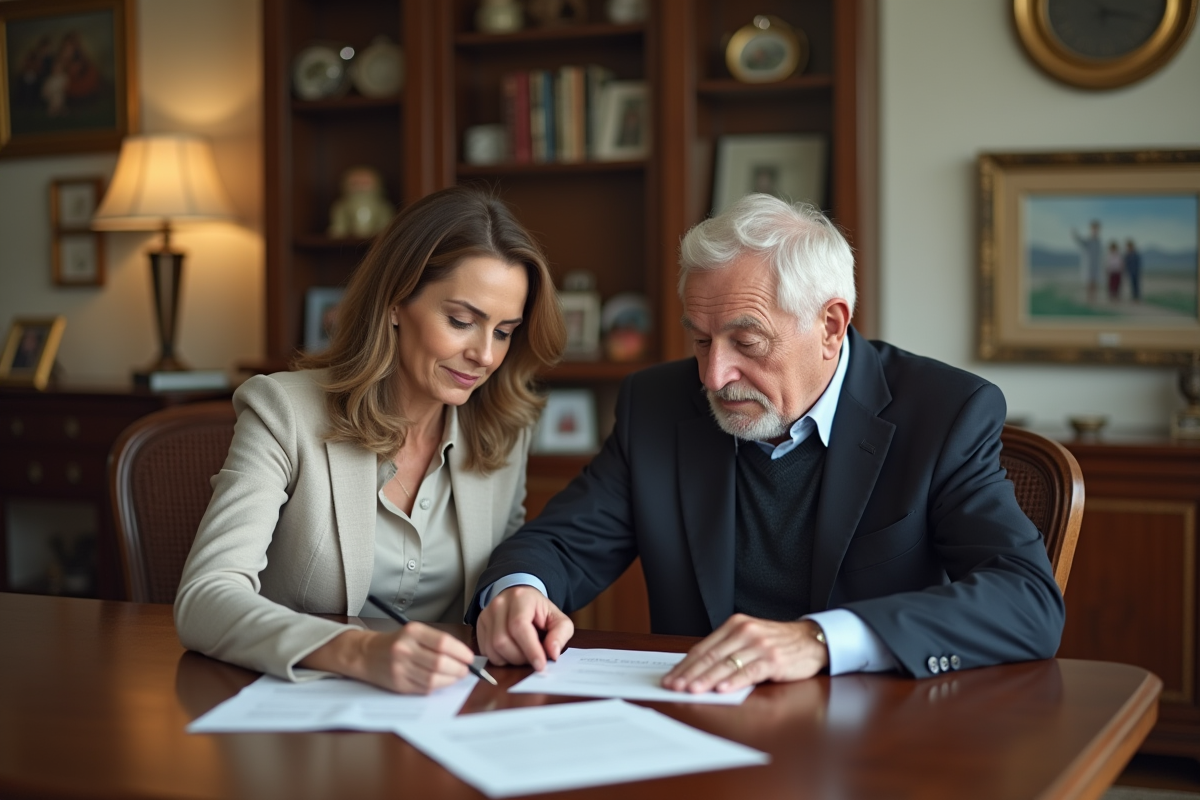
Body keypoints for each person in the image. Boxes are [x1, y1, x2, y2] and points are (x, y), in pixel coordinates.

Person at [470, 193, 1064, 692]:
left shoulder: (943, 412)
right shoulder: (656, 405)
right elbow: (563, 543)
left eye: (747, 342)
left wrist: (818, 640)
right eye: (701, 340)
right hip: (695, 722)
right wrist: (520, 590)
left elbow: (1027, 601)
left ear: (830, 325)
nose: (713, 377)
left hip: (875, 735)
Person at [175, 186, 566, 693]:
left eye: (504, 331)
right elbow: (204, 597)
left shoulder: (504, 430)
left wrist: (514, 604)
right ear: (396, 302)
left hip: (446, 706)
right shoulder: (283, 411)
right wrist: (357, 652)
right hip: (299, 704)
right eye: (461, 321)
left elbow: (501, 573)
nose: (485, 355)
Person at [1073, 221, 1102, 304]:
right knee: (1089, 282)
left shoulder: (1098, 241)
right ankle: (1089, 299)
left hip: (1096, 265)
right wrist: (1076, 235)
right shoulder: (1088, 240)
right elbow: (1081, 241)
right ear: (1091, 229)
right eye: (1094, 229)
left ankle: (1094, 299)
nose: (1095, 231)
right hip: (1088, 265)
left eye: (1097, 229)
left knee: (1095, 282)